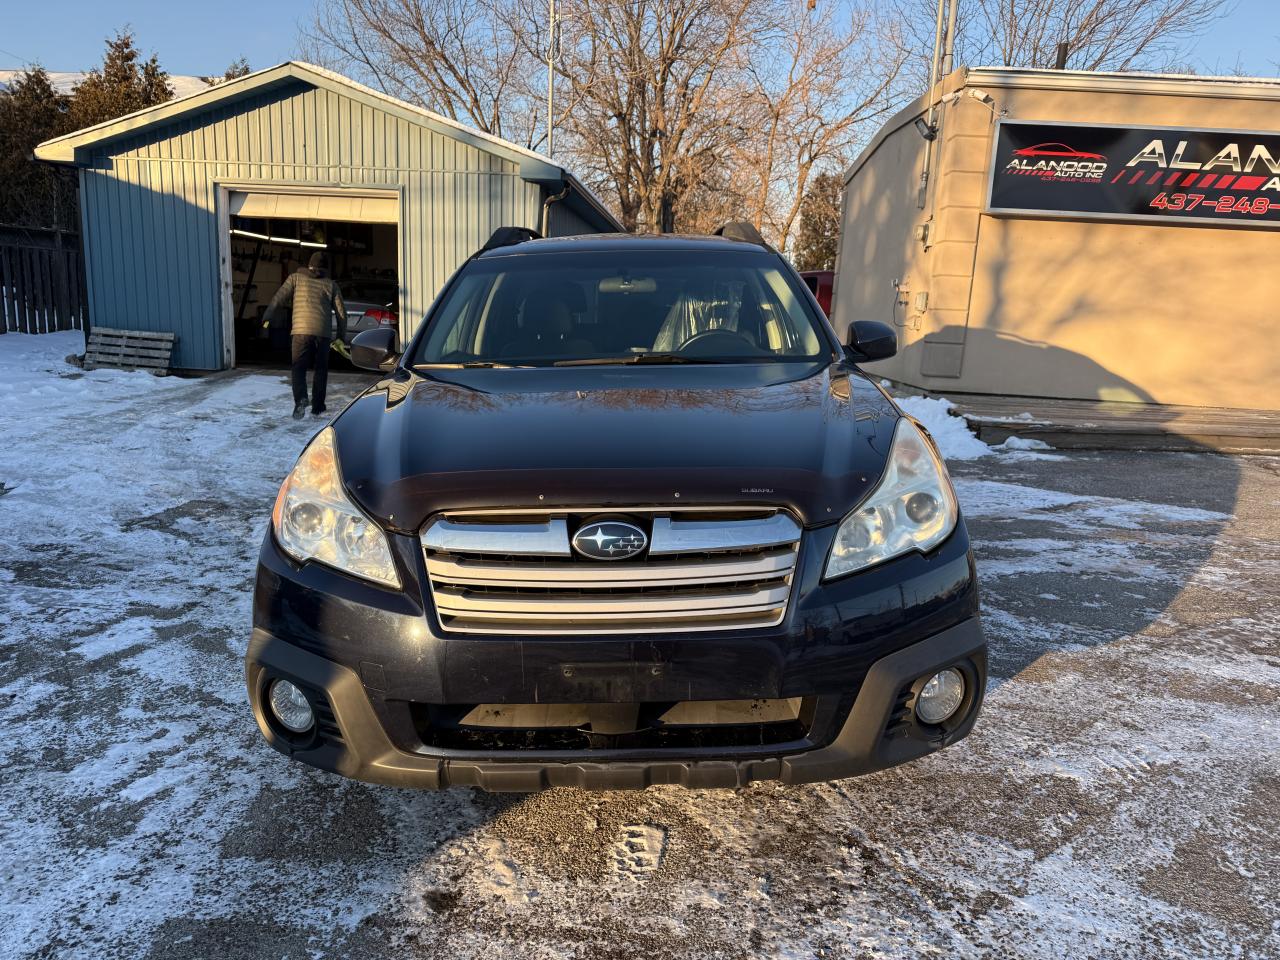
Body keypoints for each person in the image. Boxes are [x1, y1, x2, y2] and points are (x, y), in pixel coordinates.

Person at [264, 251, 347, 419]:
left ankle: (301, 400)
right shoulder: (331, 285)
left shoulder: (295, 278)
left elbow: (278, 299)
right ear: (325, 268)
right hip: (322, 334)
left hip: (300, 332)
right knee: (321, 370)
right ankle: (318, 407)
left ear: (309, 264)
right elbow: (341, 313)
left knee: (299, 368)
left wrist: (266, 318)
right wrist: (340, 337)